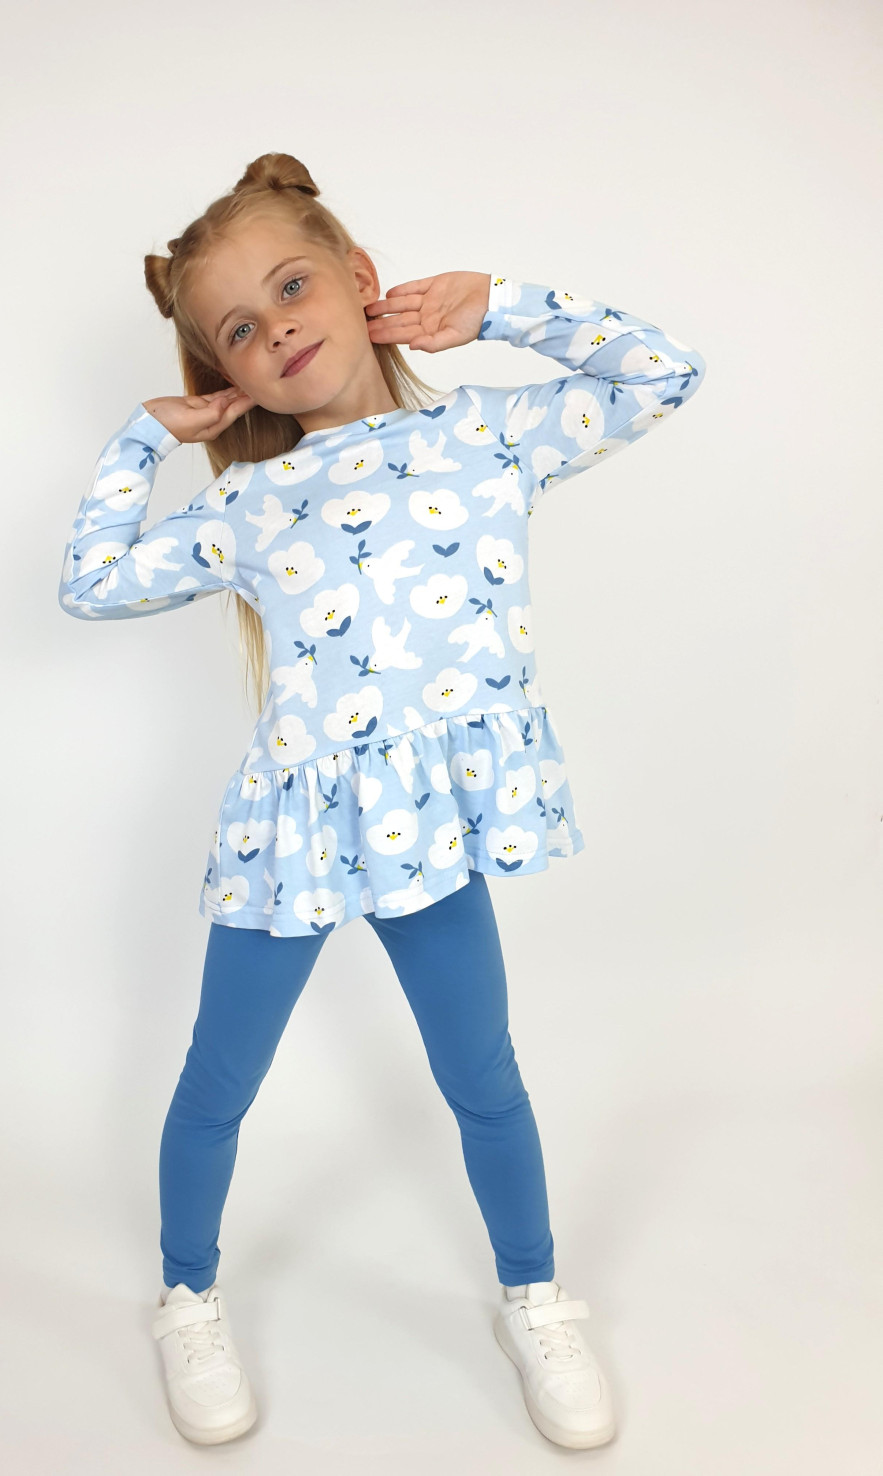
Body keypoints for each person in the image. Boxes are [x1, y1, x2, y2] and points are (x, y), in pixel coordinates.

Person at [58, 151, 705, 1449]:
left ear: (359, 279)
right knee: (218, 1081)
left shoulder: (487, 437)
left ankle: (536, 1297)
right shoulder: (249, 501)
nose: (277, 329)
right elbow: (92, 581)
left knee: (483, 1078)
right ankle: (188, 1297)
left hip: (432, 833)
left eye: (292, 287)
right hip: (298, 837)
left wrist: (501, 305)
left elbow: (662, 374)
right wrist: (145, 438)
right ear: (227, 373)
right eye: (238, 329)